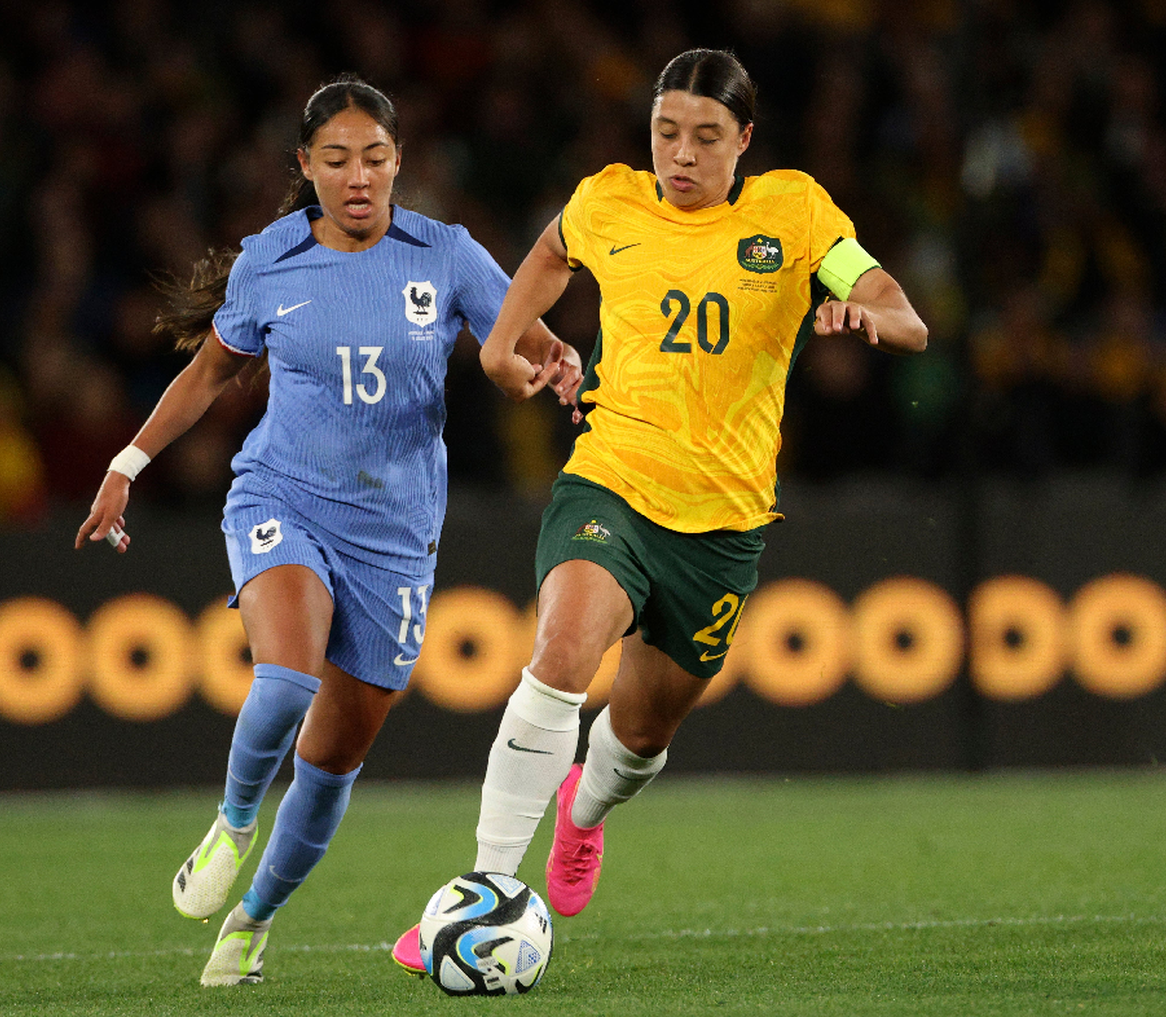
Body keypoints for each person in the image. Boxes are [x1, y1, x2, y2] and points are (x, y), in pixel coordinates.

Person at [392, 48, 928, 971]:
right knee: (560, 653)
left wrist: (874, 317)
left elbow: (896, 305)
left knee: (639, 734)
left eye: (706, 137)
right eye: (665, 133)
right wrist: (501, 342)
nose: (681, 155)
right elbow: (555, 250)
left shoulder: (793, 212)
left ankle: (582, 810)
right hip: (612, 479)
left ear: (744, 141)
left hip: (721, 526)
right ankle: (480, 895)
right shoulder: (610, 199)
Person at [74, 76, 581, 987]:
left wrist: (554, 363)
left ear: (399, 164)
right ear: (304, 167)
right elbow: (208, 374)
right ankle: (230, 824)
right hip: (284, 497)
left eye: (376, 158)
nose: (359, 178)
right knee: (285, 675)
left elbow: (523, 342)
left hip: (395, 538)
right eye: (337, 160)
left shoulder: (448, 256)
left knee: (332, 759)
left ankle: (252, 920)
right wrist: (127, 464)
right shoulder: (269, 261)